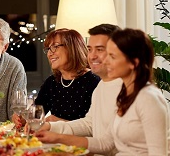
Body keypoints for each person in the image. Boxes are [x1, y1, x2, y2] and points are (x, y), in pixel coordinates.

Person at [35, 28, 169, 155]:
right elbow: (105, 142)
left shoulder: (149, 98)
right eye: (90, 49)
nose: (105, 61)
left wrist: (56, 133)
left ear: (133, 63)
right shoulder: (119, 92)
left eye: (112, 56)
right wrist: (55, 135)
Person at [37, 24, 122, 156]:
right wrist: (51, 127)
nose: (92, 56)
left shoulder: (127, 90)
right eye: (90, 49)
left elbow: (107, 144)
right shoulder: (102, 86)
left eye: (99, 49)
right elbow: (89, 124)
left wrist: (57, 134)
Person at [28, 29, 100, 123]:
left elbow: (96, 127)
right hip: (54, 137)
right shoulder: (52, 82)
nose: (49, 53)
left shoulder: (94, 81)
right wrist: (22, 118)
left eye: (55, 46)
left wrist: (59, 122)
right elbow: (35, 115)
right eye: (48, 49)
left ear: (72, 48)